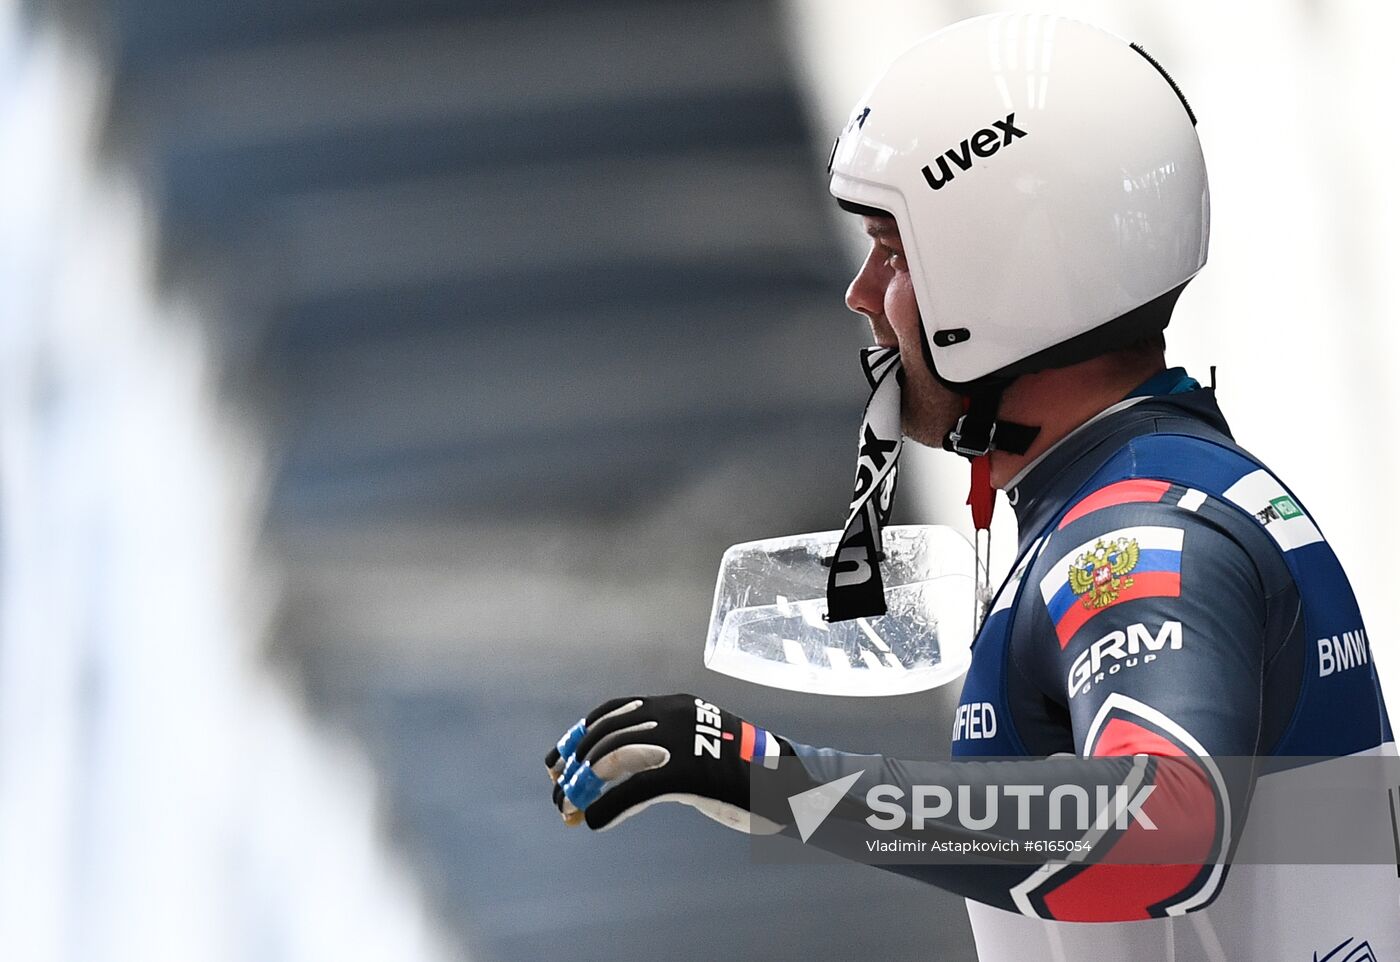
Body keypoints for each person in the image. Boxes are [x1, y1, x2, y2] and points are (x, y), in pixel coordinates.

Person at [545, 14, 1398, 960]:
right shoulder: (1165, 496)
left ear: (1005, 275)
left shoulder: (1134, 536)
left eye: (895, 252)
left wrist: (784, 785)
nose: (862, 292)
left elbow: (1167, 828)